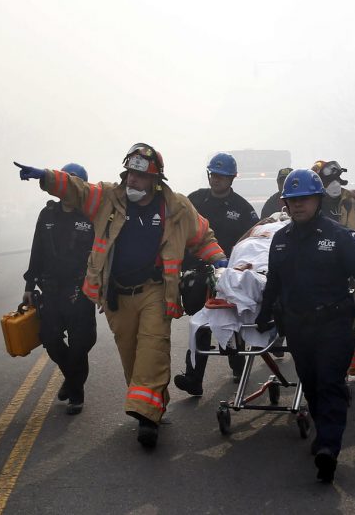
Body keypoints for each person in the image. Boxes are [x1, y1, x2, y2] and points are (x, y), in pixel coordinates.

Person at [14, 143, 226, 448]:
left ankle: (147, 420)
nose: (131, 181)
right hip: (117, 296)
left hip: (155, 291)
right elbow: (79, 190)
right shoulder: (108, 199)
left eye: (139, 177)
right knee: (132, 357)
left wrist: (219, 259)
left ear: (155, 180)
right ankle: (152, 403)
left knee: (152, 349)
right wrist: (46, 177)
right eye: (128, 174)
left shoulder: (176, 207)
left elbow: (201, 236)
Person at [256, 169, 355, 483]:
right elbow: (274, 282)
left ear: (318, 200)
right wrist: (264, 313)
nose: (297, 206)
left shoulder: (339, 236)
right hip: (299, 328)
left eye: (304, 200)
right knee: (311, 385)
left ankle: (329, 446)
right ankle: (323, 431)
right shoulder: (280, 241)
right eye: (292, 200)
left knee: (330, 384)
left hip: (334, 325)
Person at [174, 152, 259, 396]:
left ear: (232, 178)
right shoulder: (194, 200)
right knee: (200, 323)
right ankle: (194, 379)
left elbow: (251, 242)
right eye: (214, 175)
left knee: (231, 324)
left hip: (230, 275)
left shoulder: (243, 209)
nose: (217, 180)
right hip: (198, 273)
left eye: (222, 176)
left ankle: (238, 366)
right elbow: (178, 228)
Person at [22, 163, 97, 415]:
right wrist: (29, 285)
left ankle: (76, 392)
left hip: (80, 291)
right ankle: (73, 379)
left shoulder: (92, 216)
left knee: (80, 344)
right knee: (51, 340)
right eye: (65, 183)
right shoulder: (48, 216)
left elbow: (104, 255)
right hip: (51, 289)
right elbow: (37, 251)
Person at [312, 159, 355, 384]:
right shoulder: (313, 203)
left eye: (335, 178)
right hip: (325, 266)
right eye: (327, 180)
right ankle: (332, 363)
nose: (333, 184)